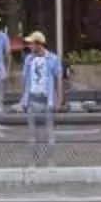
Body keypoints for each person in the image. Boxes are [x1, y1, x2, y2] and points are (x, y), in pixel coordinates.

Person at [18, 27, 64, 162]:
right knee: (32, 133)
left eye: (32, 43)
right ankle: (33, 160)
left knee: (49, 132)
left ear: (38, 44)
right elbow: (25, 80)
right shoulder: (28, 60)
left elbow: (58, 80)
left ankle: (50, 160)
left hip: (46, 99)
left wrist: (59, 99)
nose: (30, 46)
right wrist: (23, 99)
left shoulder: (53, 59)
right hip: (32, 98)